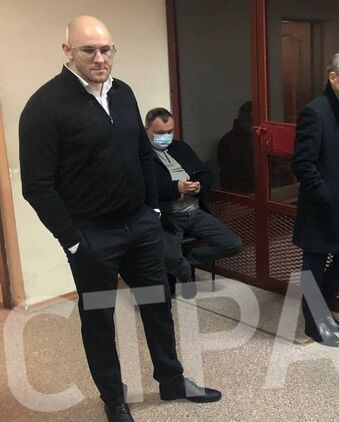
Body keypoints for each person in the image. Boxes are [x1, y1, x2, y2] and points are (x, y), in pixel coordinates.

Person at [19, 16, 220, 422]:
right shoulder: (44, 107)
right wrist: (72, 240)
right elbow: (37, 186)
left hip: (139, 227)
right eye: (89, 50)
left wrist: (153, 210)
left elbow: (143, 154)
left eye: (106, 49)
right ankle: (113, 397)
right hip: (92, 237)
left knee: (157, 304)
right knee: (99, 319)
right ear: (68, 52)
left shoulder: (124, 93)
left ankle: (172, 381)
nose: (100, 58)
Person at [291, 53, 339, 347]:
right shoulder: (315, 111)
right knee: (314, 264)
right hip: (321, 205)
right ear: (332, 78)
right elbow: (302, 164)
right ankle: (314, 325)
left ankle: (322, 311)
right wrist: (325, 194)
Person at [145, 107, 242, 298]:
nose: (166, 137)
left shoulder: (181, 148)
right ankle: (181, 269)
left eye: (170, 132)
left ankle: (188, 263)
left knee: (233, 244)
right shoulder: (141, 155)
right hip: (166, 217)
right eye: (160, 133)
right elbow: (143, 190)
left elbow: (206, 173)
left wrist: (199, 186)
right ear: (147, 130)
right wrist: (176, 188)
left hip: (194, 211)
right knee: (168, 258)